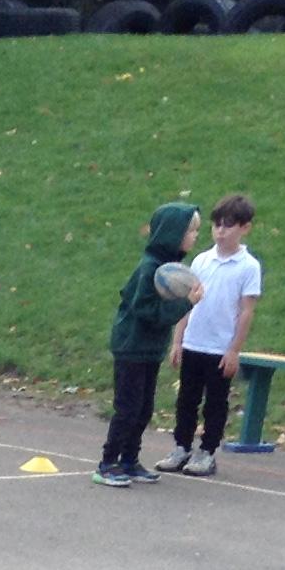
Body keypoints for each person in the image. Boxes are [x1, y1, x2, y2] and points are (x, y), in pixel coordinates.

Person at [154, 193, 260, 478]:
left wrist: (234, 350)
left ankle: (207, 451)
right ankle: (181, 447)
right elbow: (186, 301)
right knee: (186, 400)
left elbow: (246, 311)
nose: (221, 231)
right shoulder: (202, 260)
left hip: (219, 348)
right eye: (217, 225)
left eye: (228, 225)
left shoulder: (248, 266)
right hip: (194, 343)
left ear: (245, 228)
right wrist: (178, 340)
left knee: (215, 403)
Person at [94, 202, 199, 488]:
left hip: (150, 349)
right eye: (190, 231)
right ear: (172, 233)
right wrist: (186, 303)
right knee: (128, 408)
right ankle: (108, 463)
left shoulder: (168, 267)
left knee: (144, 409)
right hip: (131, 346)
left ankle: (130, 459)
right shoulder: (149, 268)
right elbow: (147, 311)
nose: (195, 236)